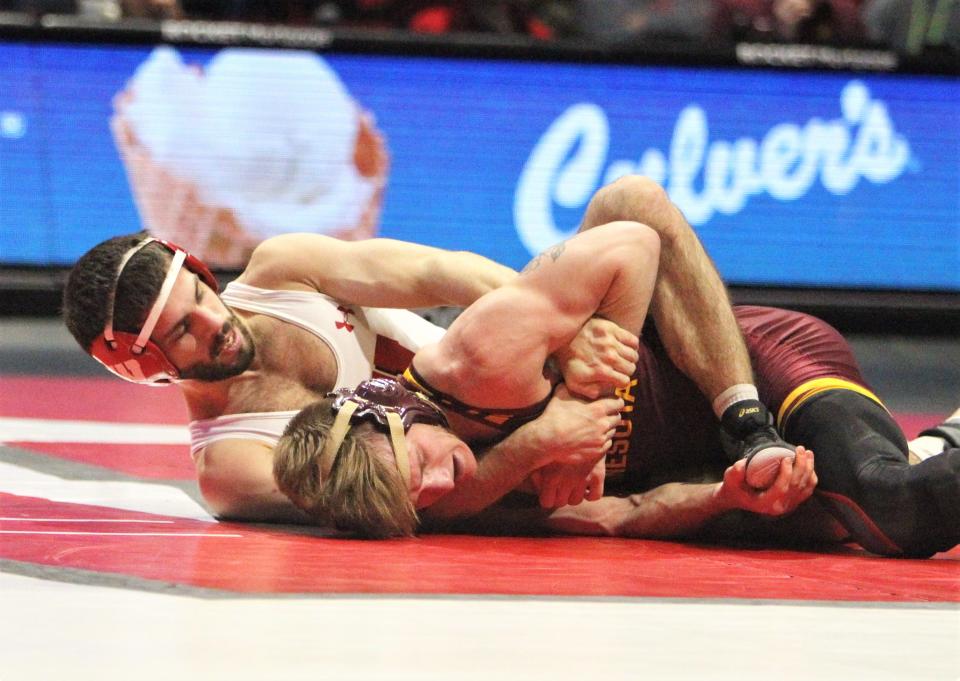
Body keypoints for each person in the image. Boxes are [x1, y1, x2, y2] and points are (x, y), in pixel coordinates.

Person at [62, 175, 793, 522]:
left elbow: (436, 272)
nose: (214, 319)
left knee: (634, 206)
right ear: (150, 365)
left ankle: (746, 421)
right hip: (510, 471)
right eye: (183, 331)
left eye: (199, 294)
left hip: (514, 388)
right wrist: (546, 441)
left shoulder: (281, 268)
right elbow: (417, 509)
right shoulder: (231, 463)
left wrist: (569, 345)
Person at [274, 269, 960, 556]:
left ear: (396, 407)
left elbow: (634, 223)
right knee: (822, 526)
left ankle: (762, 427)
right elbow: (624, 516)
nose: (436, 487)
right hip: (710, 460)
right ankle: (939, 445)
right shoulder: (455, 494)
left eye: (418, 466)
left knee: (888, 506)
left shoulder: (479, 357)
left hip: (768, 365)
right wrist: (722, 493)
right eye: (414, 500)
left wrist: (586, 409)